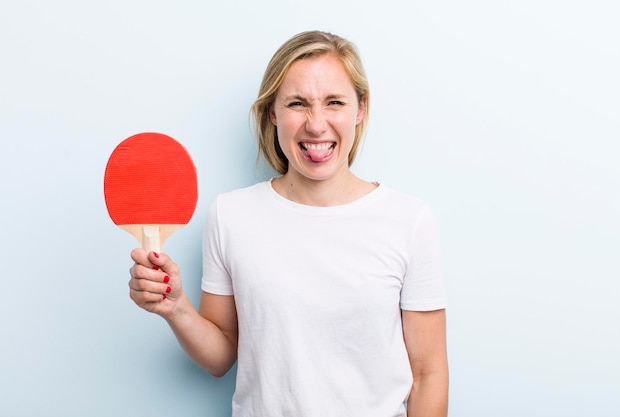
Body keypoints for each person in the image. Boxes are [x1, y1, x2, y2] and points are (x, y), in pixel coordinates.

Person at [129, 30, 448, 417]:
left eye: (334, 102)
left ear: (360, 108)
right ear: (272, 113)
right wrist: (176, 307)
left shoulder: (408, 220)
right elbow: (220, 357)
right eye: (298, 103)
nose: (316, 125)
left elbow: (429, 374)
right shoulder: (231, 215)